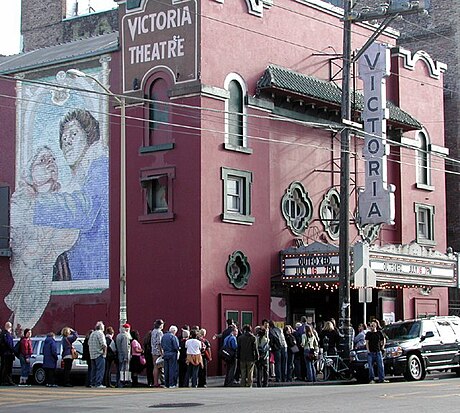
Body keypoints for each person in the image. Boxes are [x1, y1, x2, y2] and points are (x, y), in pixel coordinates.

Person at [5, 146, 78, 329]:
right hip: (30, 268)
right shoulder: (19, 202)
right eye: (43, 161)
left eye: (52, 160)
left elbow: (70, 234)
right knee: (33, 280)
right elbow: (22, 243)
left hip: (55, 266)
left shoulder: (62, 201)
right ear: (30, 171)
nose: (50, 164)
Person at [33, 109, 109, 282]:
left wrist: (33, 207)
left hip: (95, 278)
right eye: (64, 138)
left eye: (73, 134)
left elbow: (84, 209)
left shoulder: (100, 166)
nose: (67, 141)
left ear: (89, 137)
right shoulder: (78, 180)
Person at [89, 321, 107, 388]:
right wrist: (104, 353)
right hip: (99, 354)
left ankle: (93, 383)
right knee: (100, 369)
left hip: (92, 354)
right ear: (101, 327)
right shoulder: (100, 333)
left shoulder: (92, 334)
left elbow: (89, 343)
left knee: (93, 369)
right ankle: (98, 383)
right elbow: (104, 344)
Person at [116, 323, 132, 387]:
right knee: (124, 370)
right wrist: (126, 357)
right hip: (124, 356)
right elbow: (125, 347)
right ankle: (123, 382)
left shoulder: (118, 335)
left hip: (119, 355)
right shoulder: (125, 336)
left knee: (120, 369)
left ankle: (119, 382)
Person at [0, 322, 15, 386]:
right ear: (8, 327)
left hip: (7, 354)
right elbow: (8, 343)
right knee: (6, 368)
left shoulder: (5, 334)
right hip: (7, 354)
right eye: (10, 327)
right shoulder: (6, 334)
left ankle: (7, 380)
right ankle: (6, 381)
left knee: (7, 368)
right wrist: (12, 350)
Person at [150, 319, 164, 388]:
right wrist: (162, 352)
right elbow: (159, 343)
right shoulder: (159, 332)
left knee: (155, 366)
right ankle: (157, 382)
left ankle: (155, 381)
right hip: (158, 351)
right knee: (159, 367)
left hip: (153, 350)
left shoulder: (153, 331)